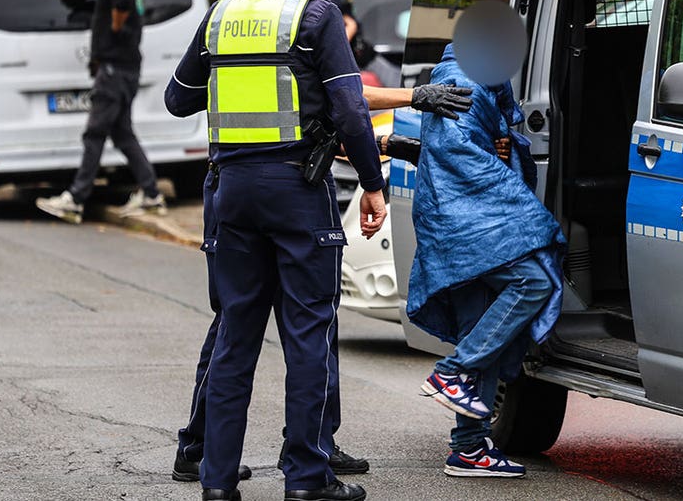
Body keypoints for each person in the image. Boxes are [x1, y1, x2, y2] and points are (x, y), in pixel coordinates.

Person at [165, 0, 385, 501]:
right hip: (295, 191)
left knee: (237, 333)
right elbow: (349, 107)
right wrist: (372, 182)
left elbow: (178, 99)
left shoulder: (220, 15)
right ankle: (307, 480)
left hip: (230, 190)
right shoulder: (316, 15)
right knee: (308, 331)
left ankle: (216, 482)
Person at [168, 81, 470, 486]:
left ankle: (304, 444)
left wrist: (381, 142)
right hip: (281, 186)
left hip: (246, 186)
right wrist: (411, 101)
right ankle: (210, 448)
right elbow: (342, 97)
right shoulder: (303, 19)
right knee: (280, 323)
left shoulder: (243, 26)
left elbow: (311, 112)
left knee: (263, 324)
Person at [408, 43, 565, 479]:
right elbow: (457, 156)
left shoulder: (477, 78)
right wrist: (512, 195)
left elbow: (470, 143)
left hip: (461, 221)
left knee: (481, 332)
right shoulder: (465, 82)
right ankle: (450, 372)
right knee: (533, 282)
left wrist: (501, 145)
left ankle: (469, 449)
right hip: (469, 223)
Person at [36, 0, 165, 224]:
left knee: (94, 133)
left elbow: (122, 0)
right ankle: (152, 194)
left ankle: (76, 199)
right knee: (122, 134)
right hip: (126, 68)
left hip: (114, 69)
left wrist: (116, 28)